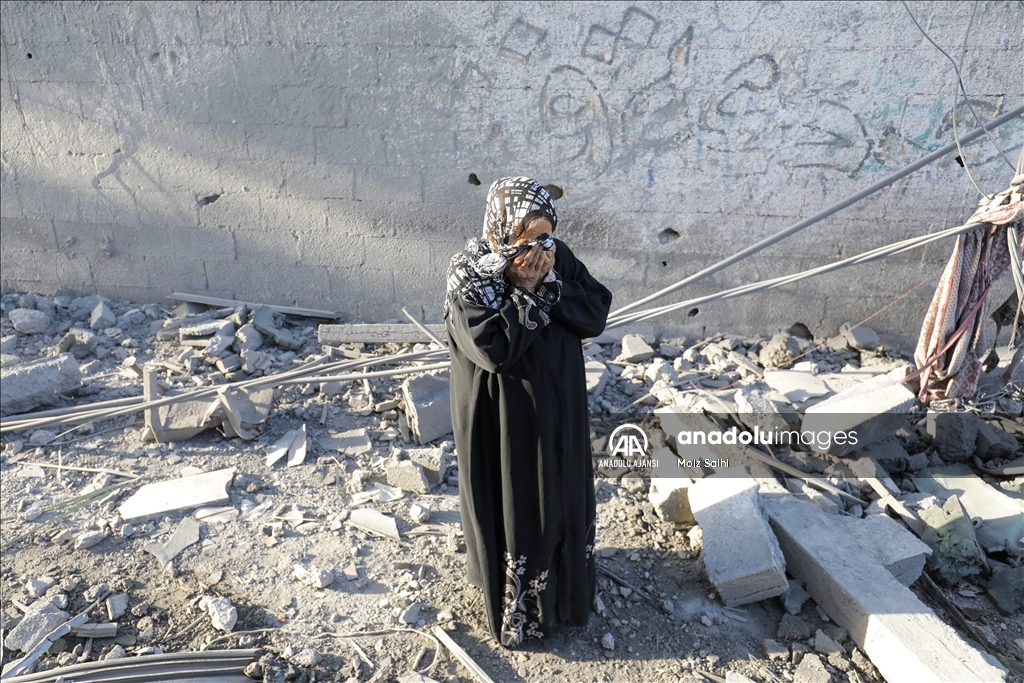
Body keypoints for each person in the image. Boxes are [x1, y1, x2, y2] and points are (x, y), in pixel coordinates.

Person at [444, 177, 613, 647]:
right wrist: (529, 291)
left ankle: (568, 599)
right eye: (526, 239)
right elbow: (494, 350)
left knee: (561, 497)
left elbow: (596, 311)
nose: (537, 249)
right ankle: (523, 613)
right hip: (507, 426)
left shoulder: (556, 259)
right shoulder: (472, 277)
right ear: (501, 231)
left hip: (562, 413)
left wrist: (551, 284)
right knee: (519, 506)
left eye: (545, 235)